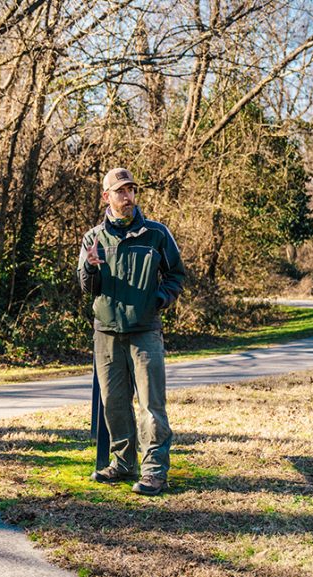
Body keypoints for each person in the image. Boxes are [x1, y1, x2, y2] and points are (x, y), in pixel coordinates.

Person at [78, 168, 186, 496]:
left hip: (145, 331)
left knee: (151, 405)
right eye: (120, 191)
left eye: (131, 190)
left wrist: (158, 299)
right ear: (106, 197)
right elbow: (86, 287)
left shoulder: (156, 234)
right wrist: (90, 267)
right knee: (114, 403)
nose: (127, 197)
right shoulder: (94, 237)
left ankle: (154, 471)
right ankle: (123, 463)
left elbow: (176, 274)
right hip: (106, 333)